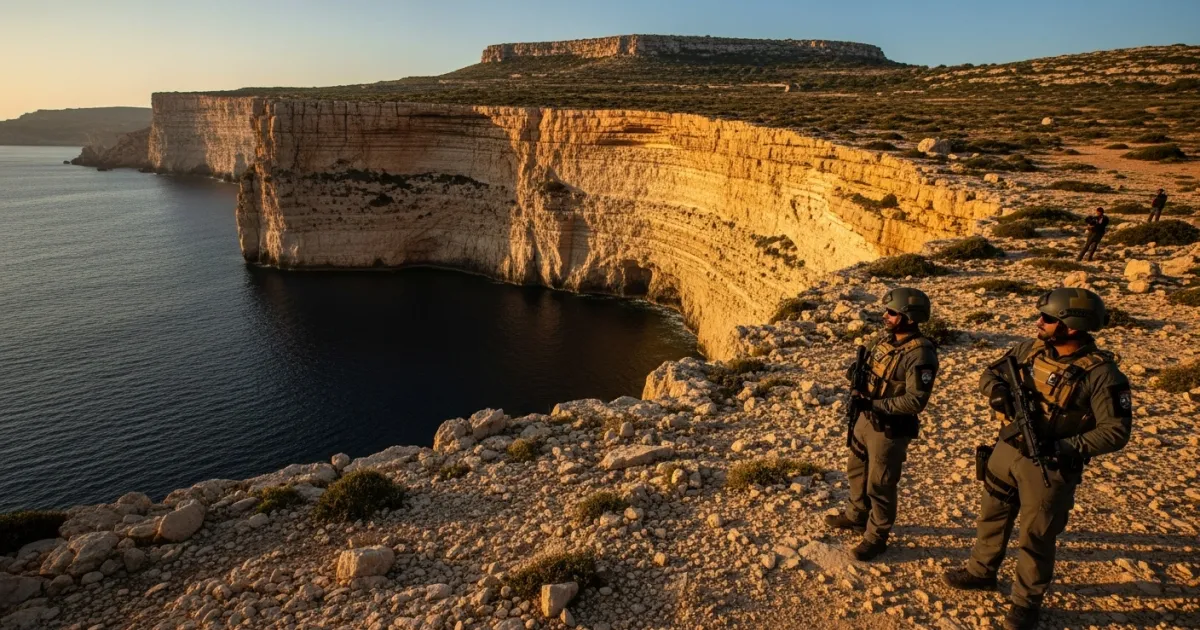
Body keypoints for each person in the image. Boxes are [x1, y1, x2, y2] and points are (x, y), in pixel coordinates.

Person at [943, 288, 1133, 630]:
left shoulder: (1102, 374)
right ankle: (981, 571)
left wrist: (1062, 447)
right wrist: (998, 392)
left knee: (1036, 536)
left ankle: (1025, 603)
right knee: (992, 515)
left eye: (1047, 318)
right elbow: (991, 374)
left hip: (1050, 466)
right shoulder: (1030, 349)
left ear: (1072, 326)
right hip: (1007, 450)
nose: (1039, 322)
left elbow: (1115, 432)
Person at [826, 287, 939, 561]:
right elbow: (875, 374)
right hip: (866, 418)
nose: (885, 316)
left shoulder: (920, 355)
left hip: (890, 427)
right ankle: (856, 516)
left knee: (881, 482)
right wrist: (856, 375)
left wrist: (876, 405)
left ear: (909, 318)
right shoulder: (886, 342)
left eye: (892, 313)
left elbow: (915, 401)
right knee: (856, 470)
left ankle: (877, 536)